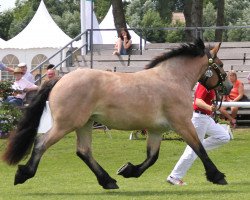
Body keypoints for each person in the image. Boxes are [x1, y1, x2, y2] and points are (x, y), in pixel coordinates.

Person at [166, 83, 230, 186]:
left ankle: (199, 149)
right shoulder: (204, 84)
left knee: (224, 137)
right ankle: (174, 177)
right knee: (192, 151)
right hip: (199, 118)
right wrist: (209, 107)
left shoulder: (209, 84)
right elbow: (198, 101)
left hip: (206, 118)